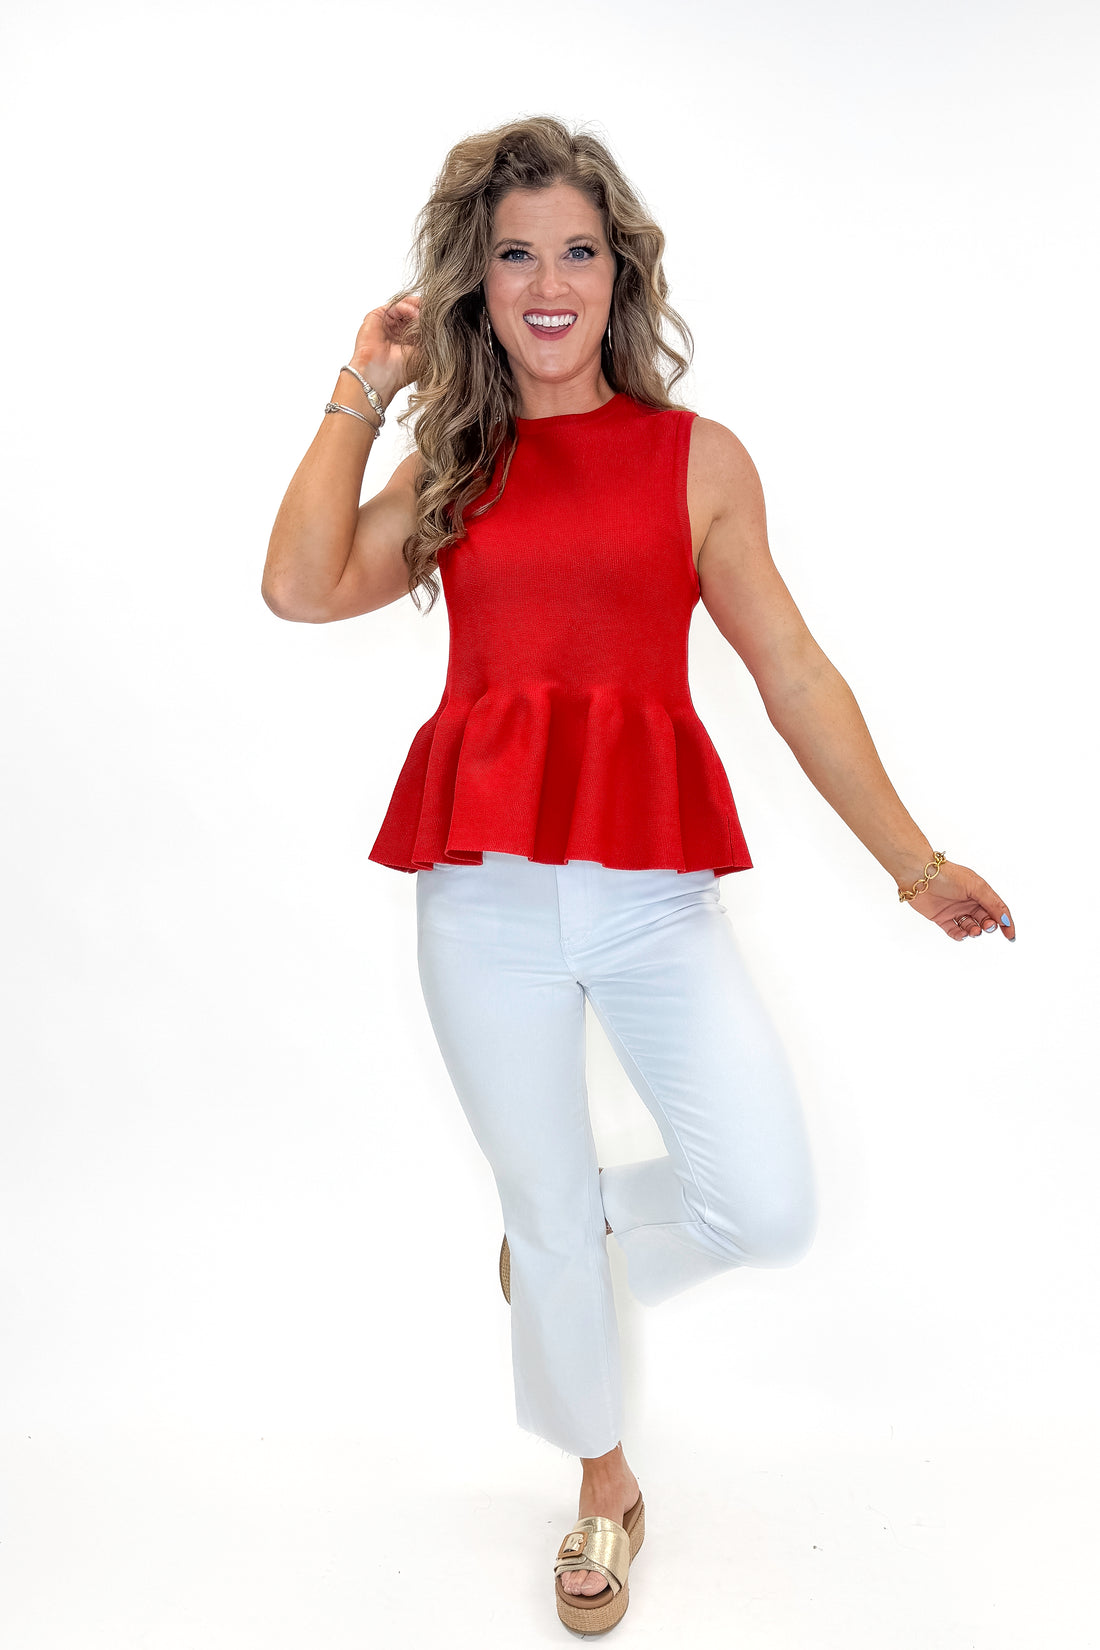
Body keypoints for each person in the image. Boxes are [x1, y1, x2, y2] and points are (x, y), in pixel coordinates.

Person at [261, 114, 1015, 1635]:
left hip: (654, 889)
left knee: (767, 1202)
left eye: (578, 252)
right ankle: (603, 1486)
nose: (549, 282)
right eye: (515, 252)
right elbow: (299, 583)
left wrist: (910, 859)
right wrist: (368, 380)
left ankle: (571, 1241)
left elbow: (793, 671)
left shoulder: (695, 459)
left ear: (622, 273)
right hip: (481, 892)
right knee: (544, 1208)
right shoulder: (456, 463)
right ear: (476, 282)